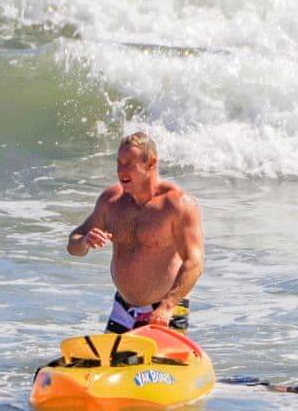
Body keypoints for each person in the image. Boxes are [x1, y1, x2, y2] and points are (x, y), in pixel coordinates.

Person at [67, 132, 204, 333]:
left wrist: (168, 306)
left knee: (158, 357)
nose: (121, 170)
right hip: (124, 309)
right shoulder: (111, 201)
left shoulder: (176, 204)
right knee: (106, 355)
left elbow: (195, 262)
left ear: (151, 163)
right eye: (119, 163)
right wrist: (85, 241)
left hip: (166, 309)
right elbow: (73, 245)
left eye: (129, 163)